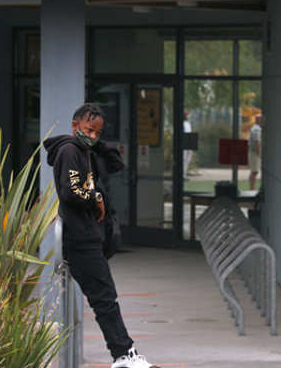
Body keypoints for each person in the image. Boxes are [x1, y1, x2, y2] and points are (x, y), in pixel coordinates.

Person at [44, 103, 159, 368]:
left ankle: (124, 354)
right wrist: (95, 197)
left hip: (89, 237)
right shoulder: (70, 152)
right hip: (79, 239)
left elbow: (116, 163)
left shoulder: (86, 151)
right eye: (88, 129)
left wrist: (97, 142)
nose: (93, 136)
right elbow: (70, 192)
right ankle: (123, 354)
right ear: (74, 127)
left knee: (106, 297)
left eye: (98, 131)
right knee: (105, 299)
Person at [248, 114, 262, 191]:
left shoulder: (256, 128)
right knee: (254, 171)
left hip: (254, 152)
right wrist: (259, 152)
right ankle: (252, 189)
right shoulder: (257, 129)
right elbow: (256, 141)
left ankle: (252, 188)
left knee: (255, 171)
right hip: (254, 152)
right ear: (257, 120)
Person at [183, 109, 193, 176]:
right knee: (183, 158)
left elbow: (190, 133)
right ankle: (182, 174)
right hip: (183, 143)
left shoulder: (188, 124)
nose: (187, 116)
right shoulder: (179, 124)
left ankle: (184, 173)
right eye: (186, 114)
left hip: (188, 143)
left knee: (188, 157)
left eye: (187, 114)